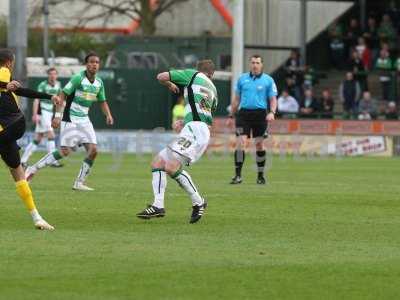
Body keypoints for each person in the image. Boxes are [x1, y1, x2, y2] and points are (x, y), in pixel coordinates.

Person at [136, 59, 218, 223]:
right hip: (198, 129)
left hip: (194, 131)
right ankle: (158, 205)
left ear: (198, 70)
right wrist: (184, 123)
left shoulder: (192, 75)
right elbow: (206, 119)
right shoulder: (214, 91)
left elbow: (160, 76)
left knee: (171, 166)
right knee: (158, 162)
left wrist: (169, 85)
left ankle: (199, 202)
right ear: (212, 74)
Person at [26, 52, 114, 191]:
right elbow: (63, 94)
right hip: (70, 118)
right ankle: (33, 168)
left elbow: (102, 101)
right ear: (86, 64)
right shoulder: (78, 78)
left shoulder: (99, 82)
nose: (94, 64)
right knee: (64, 151)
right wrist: (57, 116)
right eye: (91, 62)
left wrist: (108, 115)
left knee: (93, 150)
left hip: (85, 119)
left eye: (97, 62)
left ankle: (79, 182)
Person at [0, 48, 58, 230]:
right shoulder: (3, 70)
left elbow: (22, 91)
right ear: (9, 62)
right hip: (13, 128)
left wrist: (48, 97)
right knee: (17, 173)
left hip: (9, 127)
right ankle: (37, 217)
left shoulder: (4, 75)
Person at [228, 55, 277, 185]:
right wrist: (231, 115)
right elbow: (236, 99)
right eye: (253, 62)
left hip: (260, 115)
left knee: (259, 144)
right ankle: (237, 175)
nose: (255, 65)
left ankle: (260, 176)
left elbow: (272, 99)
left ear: (262, 65)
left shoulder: (268, 80)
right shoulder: (242, 79)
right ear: (250, 64)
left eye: (257, 63)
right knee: (240, 143)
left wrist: (272, 112)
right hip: (243, 114)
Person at [21, 68, 62, 167]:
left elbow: (60, 100)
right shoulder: (42, 85)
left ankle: (23, 161)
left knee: (38, 138)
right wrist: (35, 114)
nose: (52, 76)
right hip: (42, 112)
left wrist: (59, 114)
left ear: (57, 75)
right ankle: (53, 161)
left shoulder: (58, 85)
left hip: (50, 112)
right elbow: (36, 100)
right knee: (51, 135)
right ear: (48, 75)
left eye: (54, 74)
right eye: (51, 74)